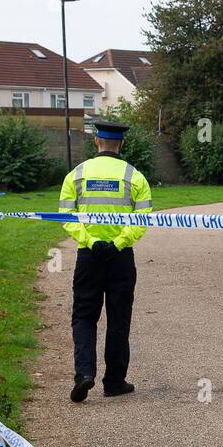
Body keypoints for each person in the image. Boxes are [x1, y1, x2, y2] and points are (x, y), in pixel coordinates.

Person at [58, 117, 152, 402]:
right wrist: (118, 242)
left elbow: (65, 214)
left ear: (96, 141)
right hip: (120, 258)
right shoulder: (134, 177)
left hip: (88, 256)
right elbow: (142, 218)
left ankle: (84, 373)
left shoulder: (77, 174)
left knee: (84, 315)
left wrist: (90, 240)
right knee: (118, 318)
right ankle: (114, 382)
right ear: (121, 144)